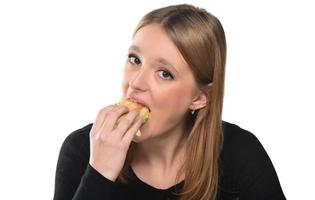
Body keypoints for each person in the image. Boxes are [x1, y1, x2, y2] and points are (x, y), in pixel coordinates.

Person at [53, 4, 286, 200]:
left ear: (200, 98)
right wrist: (99, 174)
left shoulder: (240, 154)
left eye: (164, 73)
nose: (136, 82)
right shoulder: (83, 150)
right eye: (135, 59)